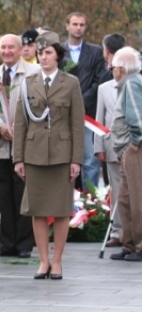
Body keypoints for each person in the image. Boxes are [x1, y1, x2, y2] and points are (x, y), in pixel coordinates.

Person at [13, 31, 84, 280]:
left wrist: (76, 159)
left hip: (62, 154)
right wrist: (18, 158)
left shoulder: (70, 83)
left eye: (48, 53)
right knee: (38, 209)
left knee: (62, 209)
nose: (43, 58)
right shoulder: (28, 83)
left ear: (58, 55)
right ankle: (43, 261)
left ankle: (57, 261)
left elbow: (77, 124)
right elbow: (20, 123)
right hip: (34, 154)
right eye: (40, 53)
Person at [0, 34, 40, 258]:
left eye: (11, 47)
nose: (7, 51)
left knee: (23, 193)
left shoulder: (33, 73)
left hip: (24, 143)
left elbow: (38, 105)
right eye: (3, 47)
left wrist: (21, 128)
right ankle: (6, 243)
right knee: (3, 193)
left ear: (21, 50)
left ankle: (25, 243)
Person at [63, 12, 106, 188]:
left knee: (90, 161)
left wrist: (80, 101)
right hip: (63, 114)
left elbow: (99, 80)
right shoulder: (58, 50)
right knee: (64, 160)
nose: (78, 28)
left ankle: (91, 206)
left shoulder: (95, 52)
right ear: (67, 26)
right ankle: (66, 207)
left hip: (88, 115)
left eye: (82, 24)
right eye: (75, 24)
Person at [109, 47, 142, 262]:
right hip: (128, 149)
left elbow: (137, 118)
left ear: (122, 69)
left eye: (113, 67)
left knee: (137, 198)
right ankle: (129, 242)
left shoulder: (132, 83)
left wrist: (133, 144)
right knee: (125, 198)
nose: (111, 71)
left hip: (135, 148)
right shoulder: (131, 83)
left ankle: (139, 245)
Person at [95, 46, 125, 248]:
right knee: (116, 191)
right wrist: (99, 147)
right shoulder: (104, 88)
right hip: (112, 146)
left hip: (134, 147)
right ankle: (117, 232)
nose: (116, 70)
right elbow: (99, 119)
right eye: (113, 66)